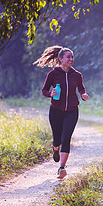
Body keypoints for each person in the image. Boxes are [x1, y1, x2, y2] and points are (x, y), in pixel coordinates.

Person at [34, 46, 89, 179]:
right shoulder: (53, 74)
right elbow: (44, 90)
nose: (71, 59)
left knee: (66, 138)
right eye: (68, 57)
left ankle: (62, 167)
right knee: (57, 138)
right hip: (56, 111)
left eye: (72, 57)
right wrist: (50, 93)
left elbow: (81, 88)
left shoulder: (77, 75)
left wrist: (83, 94)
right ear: (60, 59)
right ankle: (55, 148)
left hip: (72, 111)